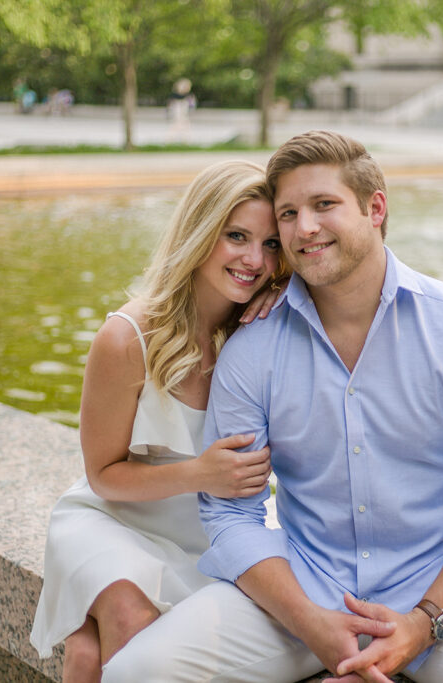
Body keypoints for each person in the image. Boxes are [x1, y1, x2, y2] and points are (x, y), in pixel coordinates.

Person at [102, 131, 443, 681]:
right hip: (301, 591)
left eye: (324, 205)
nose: (305, 228)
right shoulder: (253, 346)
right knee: (138, 672)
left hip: (439, 597)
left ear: (375, 208)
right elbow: (230, 512)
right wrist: (309, 621)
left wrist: (424, 621)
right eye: (289, 213)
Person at [30, 160, 289, 682]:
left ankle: (87, 626)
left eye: (270, 244)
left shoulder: (262, 334)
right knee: (134, 625)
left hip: (203, 539)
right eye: (235, 236)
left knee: (89, 654)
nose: (252, 259)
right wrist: (201, 474)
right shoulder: (126, 339)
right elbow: (103, 474)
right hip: (112, 521)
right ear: (199, 232)